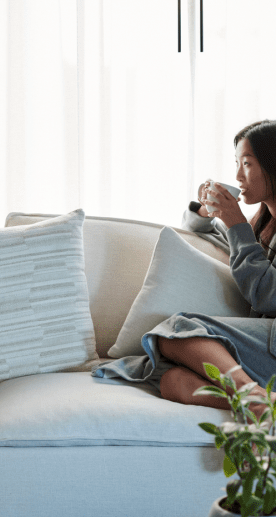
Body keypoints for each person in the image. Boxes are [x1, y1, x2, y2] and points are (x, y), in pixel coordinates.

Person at [95, 120, 276, 417]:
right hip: (263, 346)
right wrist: (207, 211)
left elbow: (267, 296)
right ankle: (262, 405)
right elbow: (224, 241)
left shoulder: (253, 226)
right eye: (236, 164)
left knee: (177, 328)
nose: (237, 176)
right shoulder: (263, 224)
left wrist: (237, 224)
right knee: (173, 382)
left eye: (247, 164)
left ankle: (251, 394)